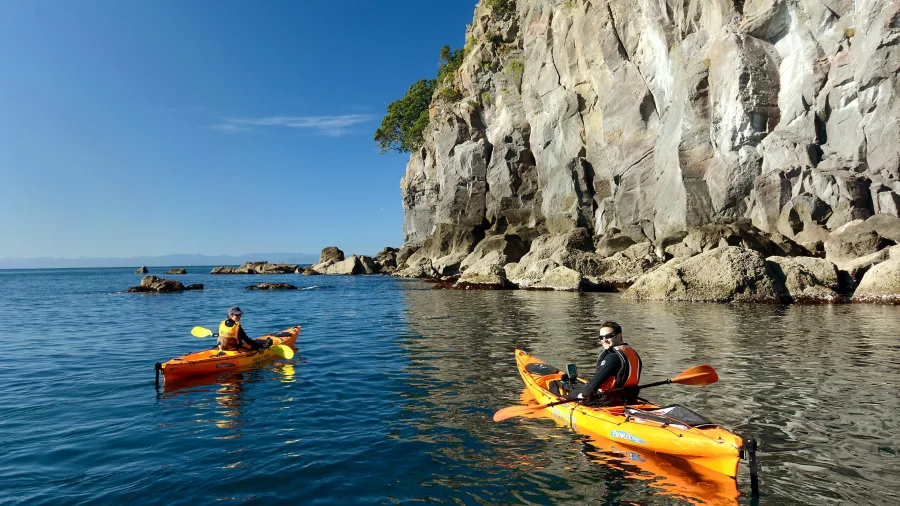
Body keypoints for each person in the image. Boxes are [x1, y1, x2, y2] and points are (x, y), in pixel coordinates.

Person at [576, 321, 642, 405]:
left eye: (608, 336)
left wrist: (583, 395)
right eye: (601, 337)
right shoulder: (633, 353)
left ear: (619, 336)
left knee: (571, 394)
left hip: (609, 401)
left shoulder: (613, 357)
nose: (604, 340)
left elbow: (589, 390)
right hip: (630, 399)